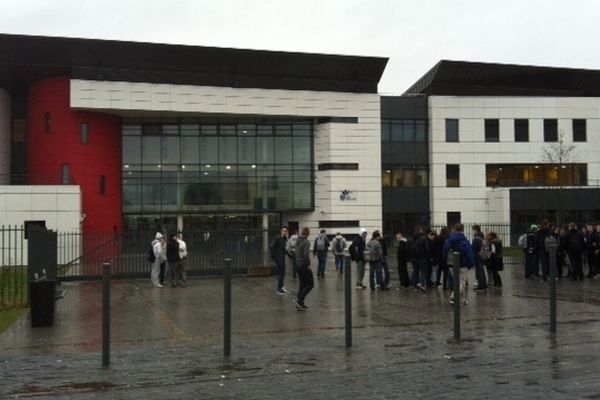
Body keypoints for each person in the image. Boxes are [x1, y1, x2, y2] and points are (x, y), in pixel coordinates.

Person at [443, 223, 475, 305]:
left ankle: (463, 299)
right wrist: (471, 263)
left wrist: (446, 262)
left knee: (458, 282)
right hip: (463, 264)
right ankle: (453, 297)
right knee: (461, 282)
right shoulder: (464, 240)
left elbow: (444, 251)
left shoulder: (449, 240)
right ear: (462, 230)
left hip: (451, 263)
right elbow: (468, 253)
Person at [294, 227, 314, 310]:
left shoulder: (298, 241)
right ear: (308, 234)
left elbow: (295, 252)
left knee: (302, 284)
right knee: (310, 284)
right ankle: (299, 299)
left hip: (298, 265)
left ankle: (300, 304)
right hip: (303, 265)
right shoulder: (306, 242)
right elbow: (306, 254)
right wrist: (308, 264)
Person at [410, 225, 429, 292]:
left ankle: (415, 286)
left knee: (415, 272)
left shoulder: (412, 238)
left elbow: (408, 248)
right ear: (420, 230)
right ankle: (421, 283)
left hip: (414, 258)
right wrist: (427, 256)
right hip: (422, 258)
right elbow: (427, 249)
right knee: (423, 271)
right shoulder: (423, 238)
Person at [270, 226, 289, 294]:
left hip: (282, 258)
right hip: (279, 258)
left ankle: (282, 286)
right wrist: (273, 256)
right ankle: (279, 289)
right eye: (283, 230)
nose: (285, 232)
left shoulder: (284, 239)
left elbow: (284, 249)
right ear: (281, 231)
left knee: (283, 273)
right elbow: (272, 246)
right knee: (281, 273)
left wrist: (290, 256)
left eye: (286, 231)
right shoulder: (277, 238)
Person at [471, 225, 488, 290]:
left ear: (475, 230)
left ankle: (481, 285)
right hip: (482, 255)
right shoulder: (481, 237)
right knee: (482, 270)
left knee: (479, 271)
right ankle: (483, 284)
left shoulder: (476, 238)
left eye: (473, 230)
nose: (472, 231)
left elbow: (474, 249)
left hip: (478, 256)